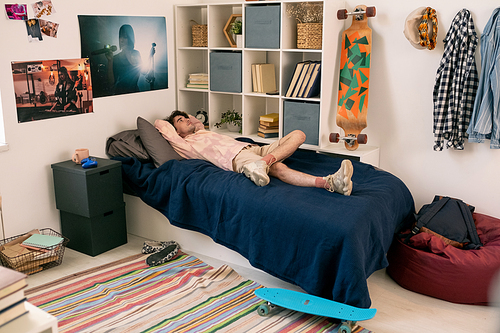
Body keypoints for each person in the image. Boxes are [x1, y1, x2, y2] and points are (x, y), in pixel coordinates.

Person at [154, 111, 354, 195]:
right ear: (175, 131)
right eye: (180, 121)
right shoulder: (185, 144)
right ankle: (329, 183)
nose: (187, 120)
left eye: (185, 117)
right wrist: (175, 121)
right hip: (237, 158)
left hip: (254, 149)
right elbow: (159, 124)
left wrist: (189, 120)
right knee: (278, 168)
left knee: (299, 135)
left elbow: (196, 121)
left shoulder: (202, 130)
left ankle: (262, 163)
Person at [106, 24, 142, 95]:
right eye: (120, 37)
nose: (121, 40)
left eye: (125, 37)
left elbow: (142, 71)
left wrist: (150, 56)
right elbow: (111, 83)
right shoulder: (116, 58)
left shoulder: (136, 53)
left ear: (130, 38)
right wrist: (110, 61)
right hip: (121, 93)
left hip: (134, 92)